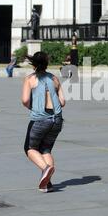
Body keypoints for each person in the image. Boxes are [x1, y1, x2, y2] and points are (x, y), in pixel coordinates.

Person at [22, 52, 66, 193]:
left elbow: (24, 100)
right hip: (57, 120)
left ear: (33, 64)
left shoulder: (30, 79)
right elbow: (63, 102)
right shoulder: (54, 78)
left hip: (40, 119)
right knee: (46, 149)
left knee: (30, 148)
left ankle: (46, 169)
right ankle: (48, 183)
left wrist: (32, 106)